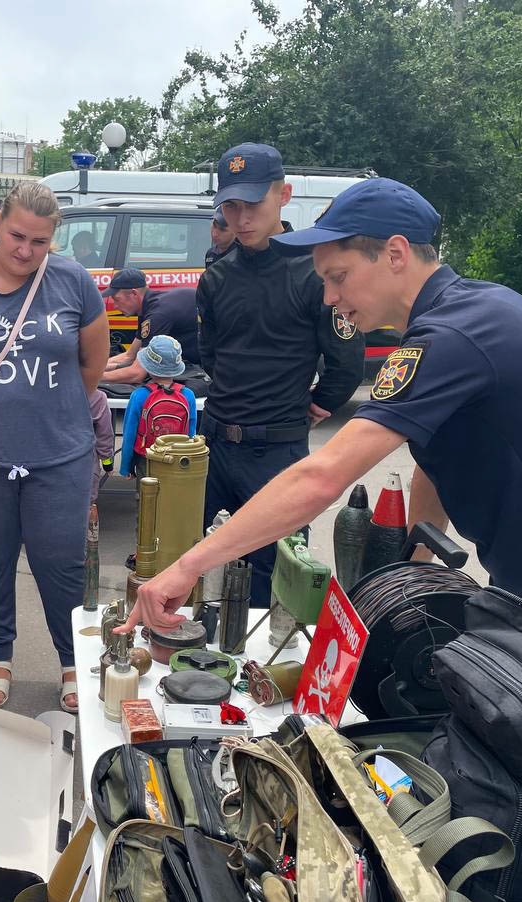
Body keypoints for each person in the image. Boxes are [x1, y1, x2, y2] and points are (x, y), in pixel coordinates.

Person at [125, 177, 522, 635]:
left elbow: (321, 475)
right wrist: (412, 573)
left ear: (394, 253)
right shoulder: (478, 308)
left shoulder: (457, 333)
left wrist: (187, 567)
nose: (329, 298)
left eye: (338, 277)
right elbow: (430, 457)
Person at [0, 181, 110, 713]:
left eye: (39, 241)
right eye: (16, 236)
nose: (25, 250)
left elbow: (91, 366)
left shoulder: (74, 281)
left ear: (53, 239)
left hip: (61, 453)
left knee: (62, 562)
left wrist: (48, 411)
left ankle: (72, 660)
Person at [198, 142, 364, 607]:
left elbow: (346, 358)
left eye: (254, 204)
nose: (241, 217)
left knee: (276, 578)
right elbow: (210, 354)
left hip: (276, 451)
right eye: (231, 206)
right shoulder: (217, 278)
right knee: (200, 567)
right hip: (214, 446)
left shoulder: (313, 272)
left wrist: (318, 403)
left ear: (284, 195)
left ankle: (263, 677)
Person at [101, 268, 202, 383]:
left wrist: (91, 377)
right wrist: (95, 368)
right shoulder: (148, 307)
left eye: (117, 300)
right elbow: (129, 356)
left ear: (134, 294)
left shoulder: (157, 316)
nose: (115, 306)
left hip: (209, 363)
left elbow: (137, 373)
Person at [118, 336, 198, 479]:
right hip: (177, 457)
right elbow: (191, 434)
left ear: (149, 367)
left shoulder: (139, 395)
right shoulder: (188, 395)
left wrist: (126, 467)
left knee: (147, 496)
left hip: (147, 457)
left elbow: (129, 434)